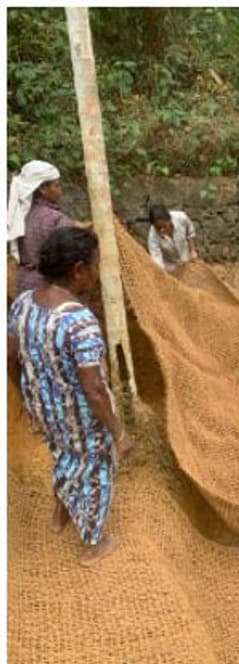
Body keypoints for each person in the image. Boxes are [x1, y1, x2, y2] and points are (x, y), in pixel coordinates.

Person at [7, 226, 132, 567]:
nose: (97, 272)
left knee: (62, 453)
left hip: (44, 412)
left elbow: (9, 357)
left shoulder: (23, 304)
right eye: (95, 264)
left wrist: (28, 401)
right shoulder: (80, 322)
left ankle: (60, 511)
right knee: (96, 468)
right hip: (81, 419)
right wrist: (117, 432)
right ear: (78, 270)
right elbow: (93, 389)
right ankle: (94, 541)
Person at [7, 160, 92, 296]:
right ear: (43, 189)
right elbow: (70, 249)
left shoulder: (20, 215)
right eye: (57, 186)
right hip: (47, 286)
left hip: (22, 283)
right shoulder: (54, 218)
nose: (60, 191)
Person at [146, 204, 199, 273]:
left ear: (169, 219)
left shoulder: (181, 218)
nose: (162, 230)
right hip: (170, 266)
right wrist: (162, 273)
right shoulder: (152, 237)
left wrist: (192, 250)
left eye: (164, 226)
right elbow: (156, 257)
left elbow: (190, 232)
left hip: (186, 258)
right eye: (158, 228)